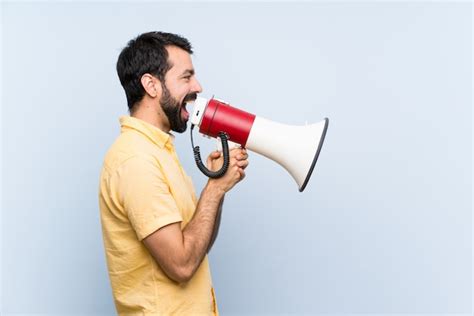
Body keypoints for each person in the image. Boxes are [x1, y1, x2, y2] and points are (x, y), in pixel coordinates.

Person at [98, 31, 249, 315]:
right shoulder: (135, 160)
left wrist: (217, 185)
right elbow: (182, 265)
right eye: (186, 77)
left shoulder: (158, 153)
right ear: (151, 85)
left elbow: (196, 245)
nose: (198, 86)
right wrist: (214, 189)